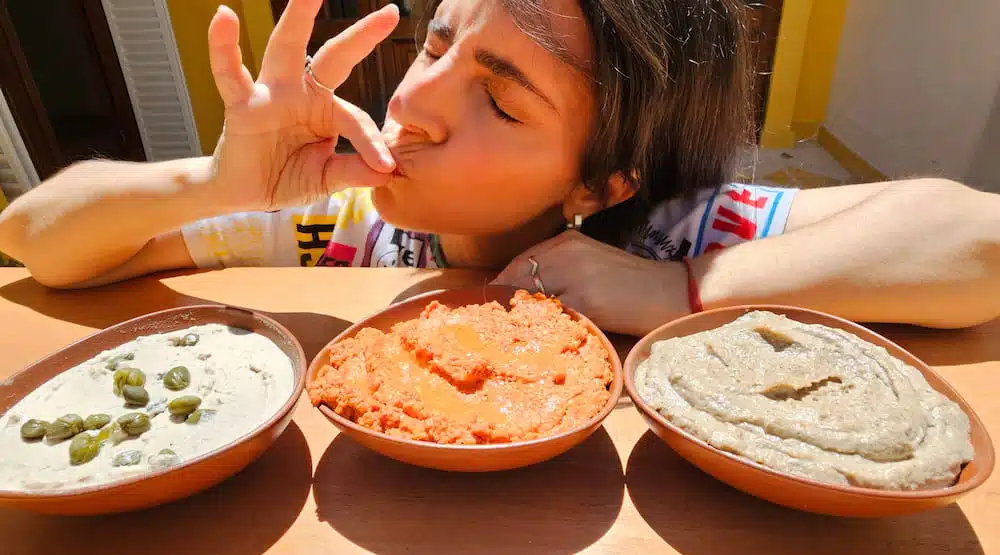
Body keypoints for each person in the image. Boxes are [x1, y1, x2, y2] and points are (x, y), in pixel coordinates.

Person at [0, 0, 998, 337]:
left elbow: (973, 238)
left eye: (500, 95)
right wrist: (219, 185)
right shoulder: (338, 218)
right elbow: (35, 238)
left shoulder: (676, 232)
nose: (415, 101)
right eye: (436, 44)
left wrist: (686, 286)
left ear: (604, 181)